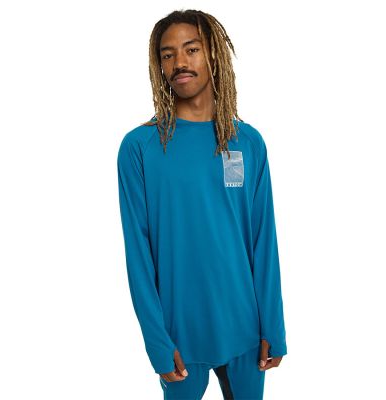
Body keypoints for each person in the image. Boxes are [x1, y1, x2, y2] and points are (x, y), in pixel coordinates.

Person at [116, 9, 287, 400]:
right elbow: (138, 255)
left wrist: (273, 326)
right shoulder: (140, 148)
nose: (179, 62)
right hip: (180, 335)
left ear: (213, 55)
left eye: (191, 49)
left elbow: (263, 241)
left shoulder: (248, 142)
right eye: (167, 54)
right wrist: (156, 341)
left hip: (246, 331)